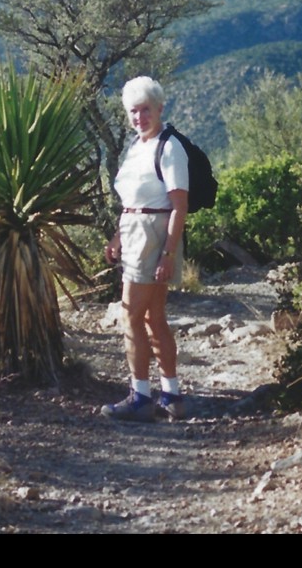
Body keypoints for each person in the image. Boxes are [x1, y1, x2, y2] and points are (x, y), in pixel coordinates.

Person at [101, 76, 188, 422]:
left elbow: (179, 205)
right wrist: (118, 237)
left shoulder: (169, 147)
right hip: (136, 230)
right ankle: (172, 395)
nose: (140, 117)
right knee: (152, 317)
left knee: (130, 316)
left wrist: (168, 253)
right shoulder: (137, 146)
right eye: (134, 112)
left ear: (160, 108)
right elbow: (131, 202)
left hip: (154, 232)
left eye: (145, 110)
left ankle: (140, 396)